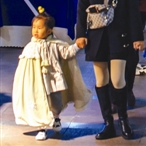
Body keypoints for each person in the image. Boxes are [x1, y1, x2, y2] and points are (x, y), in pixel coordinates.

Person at [76, 0, 144, 140]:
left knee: (117, 79)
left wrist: (137, 36)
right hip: (96, 33)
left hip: (119, 32)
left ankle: (123, 120)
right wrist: (80, 34)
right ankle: (108, 123)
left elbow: (133, 6)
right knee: (101, 79)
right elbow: (81, 7)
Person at [13, 9, 91, 141]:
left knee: (55, 103)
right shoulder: (30, 47)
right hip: (37, 83)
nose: (36, 31)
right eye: (34, 28)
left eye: (40, 28)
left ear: (49, 31)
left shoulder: (55, 45)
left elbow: (67, 53)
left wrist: (77, 46)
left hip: (53, 80)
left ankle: (56, 118)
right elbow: (24, 68)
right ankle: (41, 128)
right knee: (39, 103)